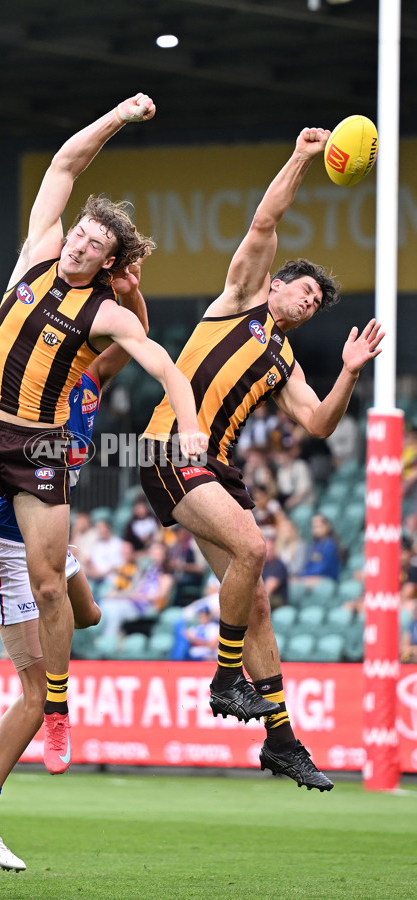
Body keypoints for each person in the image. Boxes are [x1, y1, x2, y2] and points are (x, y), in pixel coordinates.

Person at [0, 93, 207, 777]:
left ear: (109, 262)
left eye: (96, 246)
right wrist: (118, 117)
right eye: (81, 233)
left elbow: (164, 366)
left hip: (40, 449)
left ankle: (56, 709)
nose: (81, 245)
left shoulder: (105, 314)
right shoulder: (36, 255)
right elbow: (64, 163)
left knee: (53, 589)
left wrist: (192, 426)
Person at [140, 125, 384, 791]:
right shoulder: (241, 297)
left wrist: (350, 372)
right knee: (253, 548)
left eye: (315, 305)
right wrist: (302, 158)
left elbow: (318, 421)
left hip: (214, 469)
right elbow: (266, 218)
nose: (309, 304)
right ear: (275, 283)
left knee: (259, 604)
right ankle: (224, 681)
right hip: (169, 445)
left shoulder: (285, 360)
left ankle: (281, 742)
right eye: (303, 291)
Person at [0, 269, 150, 869]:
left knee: (85, 616)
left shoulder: (88, 381)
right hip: (12, 551)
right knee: (36, 696)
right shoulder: (22, 395)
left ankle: (57, 619)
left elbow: (137, 336)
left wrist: (131, 289)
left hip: (51, 543)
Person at [295, 513, 341, 587]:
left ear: (327, 527)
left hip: (327, 577)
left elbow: (324, 567)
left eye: (319, 527)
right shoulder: (314, 544)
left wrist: (306, 575)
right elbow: (309, 563)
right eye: (314, 527)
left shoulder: (330, 544)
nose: (316, 530)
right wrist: (303, 573)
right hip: (312, 576)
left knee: (299, 584)